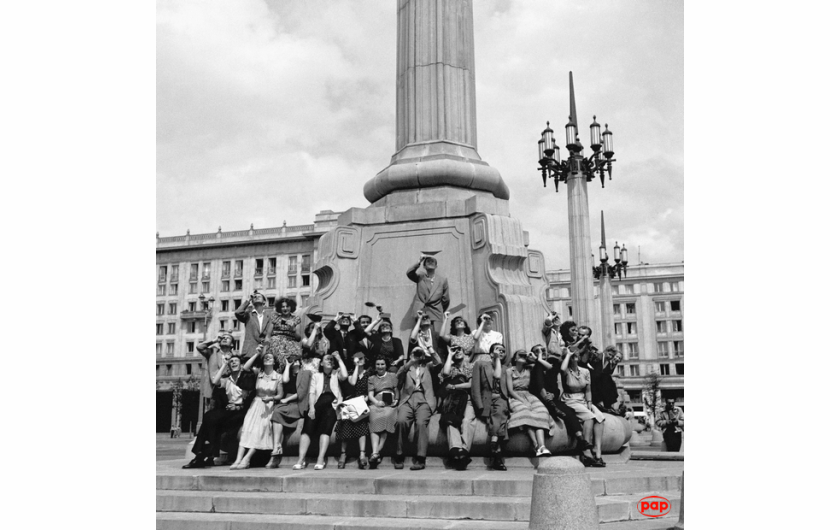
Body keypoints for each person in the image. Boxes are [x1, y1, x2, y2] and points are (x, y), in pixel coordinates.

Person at [183, 355, 255, 468]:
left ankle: (203, 454)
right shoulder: (227, 379)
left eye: (236, 361)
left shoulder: (247, 377)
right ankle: (204, 455)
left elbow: (249, 398)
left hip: (241, 411)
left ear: (241, 365)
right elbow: (215, 380)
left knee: (211, 418)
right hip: (229, 411)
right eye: (231, 362)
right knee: (211, 420)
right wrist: (224, 364)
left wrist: (238, 407)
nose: (233, 363)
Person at [531, 343, 594, 458]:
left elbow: (556, 386)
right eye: (537, 351)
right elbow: (537, 385)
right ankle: (552, 406)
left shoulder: (552, 365)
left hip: (553, 398)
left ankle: (581, 439)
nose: (541, 352)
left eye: (543, 350)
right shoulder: (535, 367)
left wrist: (553, 394)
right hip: (539, 397)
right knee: (538, 367)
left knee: (569, 412)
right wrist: (537, 360)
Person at [293, 351, 348, 470]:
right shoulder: (316, 376)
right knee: (307, 427)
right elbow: (312, 393)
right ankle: (301, 459)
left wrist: (338, 358)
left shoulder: (335, 373)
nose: (329, 361)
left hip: (332, 405)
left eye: (331, 360)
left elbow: (345, 375)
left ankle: (320, 459)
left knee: (326, 428)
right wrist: (311, 408)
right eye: (326, 359)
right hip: (317, 404)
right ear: (321, 363)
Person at [229, 350, 284, 470]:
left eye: (270, 357)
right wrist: (257, 354)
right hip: (255, 404)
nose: (267, 358)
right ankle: (238, 459)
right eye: (265, 357)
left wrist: (271, 398)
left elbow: (280, 395)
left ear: (275, 361)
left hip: (268, 407)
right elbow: (246, 367)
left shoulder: (278, 377)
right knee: (247, 430)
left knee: (260, 430)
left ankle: (246, 459)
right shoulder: (258, 373)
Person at [394, 346, 441, 470]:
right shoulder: (407, 367)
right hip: (407, 399)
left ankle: (421, 458)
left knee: (421, 423)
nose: (417, 354)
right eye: (415, 352)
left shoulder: (428, 367)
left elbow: (438, 362)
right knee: (400, 421)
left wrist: (429, 349)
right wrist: (411, 360)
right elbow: (397, 376)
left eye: (419, 352)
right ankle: (399, 455)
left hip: (424, 399)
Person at [560, 345, 607, 467]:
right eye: (572, 354)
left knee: (600, 417)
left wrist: (590, 403)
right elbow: (562, 368)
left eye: (576, 354)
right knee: (589, 417)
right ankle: (585, 450)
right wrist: (568, 354)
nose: (575, 355)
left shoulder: (585, 371)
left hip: (583, 399)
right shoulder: (566, 371)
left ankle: (597, 450)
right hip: (570, 399)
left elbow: (588, 390)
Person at [506, 349, 554, 457]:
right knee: (526, 412)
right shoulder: (510, 371)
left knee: (542, 412)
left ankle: (542, 446)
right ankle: (536, 445)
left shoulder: (529, 368)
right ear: (515, 358)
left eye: (525, 354)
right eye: (520, 354)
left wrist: (536, 358)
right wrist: (522, 400)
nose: (523, 355)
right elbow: (510, 390)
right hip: (515, 396)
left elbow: (549, 367)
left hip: (529, 395)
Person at [471, 343, 510, 471]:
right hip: (486, 400)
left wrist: (498, 360)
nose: (501, 352)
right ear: (491, 353)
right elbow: (475, 387)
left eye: (503, 351)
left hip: (500, 399)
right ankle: (497, 455)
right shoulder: (480, 365)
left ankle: (495, 445)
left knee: (499, 412)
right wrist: (479, 405)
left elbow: (498, 377)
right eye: (498, 349)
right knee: (501, 421)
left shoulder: (505, 368)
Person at [439, 344, 475, 470]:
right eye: (454, 350)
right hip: (453, 401)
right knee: (451, 421)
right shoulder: (451, 367)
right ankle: (456, 451)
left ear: (465, 352)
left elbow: (471, 384)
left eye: (459, 349)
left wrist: (455, 387)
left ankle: (464, 451)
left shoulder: (471, 366)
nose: (457, 351)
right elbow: (446, 373)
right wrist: (450, 354)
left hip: (468, 399)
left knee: (467, 421)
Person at [334, 352, 371, 469]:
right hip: (350, 402)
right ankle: (343, 455)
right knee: (345, 421)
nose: (359, 360)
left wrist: (366, 397)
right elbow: (353, 383)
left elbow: (371, 390)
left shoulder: (369, 374)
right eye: (357, 359)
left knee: (362, 422)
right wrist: (356, 367)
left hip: (363, 403)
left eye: (361, 358)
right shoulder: (349, 373)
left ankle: (362, 455)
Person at [406, 253, 450, 341]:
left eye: (433, 261)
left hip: (436, 313)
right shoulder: (420, 277)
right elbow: (409, 273)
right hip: (422, 311)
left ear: (436, 266)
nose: (430, 262)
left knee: (437, 339)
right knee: (420, 339)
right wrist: (419, 261)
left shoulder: (442, 280)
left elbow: (446, 299)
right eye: (428, 261)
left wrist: (440, 309)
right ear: (424, 266)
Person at [367, 356, 400, 469]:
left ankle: (376, 452)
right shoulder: (372, 378)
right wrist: (376, 402)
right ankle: (376, 453)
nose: (380, 366)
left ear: (386, 365)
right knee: (374, 419)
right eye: (378, 364)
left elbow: (396, 390)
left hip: (389, 404)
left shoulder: (392, 376)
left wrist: (395, 400)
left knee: (386, 416)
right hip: (377, 403)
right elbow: (370, 395)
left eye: (382, 364)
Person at [196, 330, 236, 411]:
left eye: (228, 338)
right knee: (211, 415)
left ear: (232, 344)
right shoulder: (212, 351)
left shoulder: (235, 357)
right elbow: (199, 347)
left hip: (228, 391)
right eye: (223, 338)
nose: (224, 339)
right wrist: (214, 341)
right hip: (212, 390)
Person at [234, 291, 273, 359]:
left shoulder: (270, 315)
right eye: (255, 297)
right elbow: (238, 312)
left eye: (259, 296)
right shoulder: (248, 314)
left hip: (265, 351)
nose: (256, 297)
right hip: (250, 351)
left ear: (264, 302)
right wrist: (248, 300)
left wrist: (264, 346)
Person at [264, 297, 302, 365]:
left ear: (291, 307)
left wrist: (293, 329)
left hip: (291, 346)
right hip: (275, 345)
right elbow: (268, 336)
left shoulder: (296, 319)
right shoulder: (275, 317)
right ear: (279, 308)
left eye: (287, 306)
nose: (285, 308)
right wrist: (265, 348)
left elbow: (298, 338)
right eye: (283, 307)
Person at [590, 345, 623, 414]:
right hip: (595, 378)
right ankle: (604, 404)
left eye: (619, 358)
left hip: (600, 379)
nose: (611, 357)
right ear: (606, 351)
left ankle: (608, 404)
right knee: (609, 382)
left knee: (610, 383)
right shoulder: (601, 357)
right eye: (616, 356)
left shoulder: (611, 362)